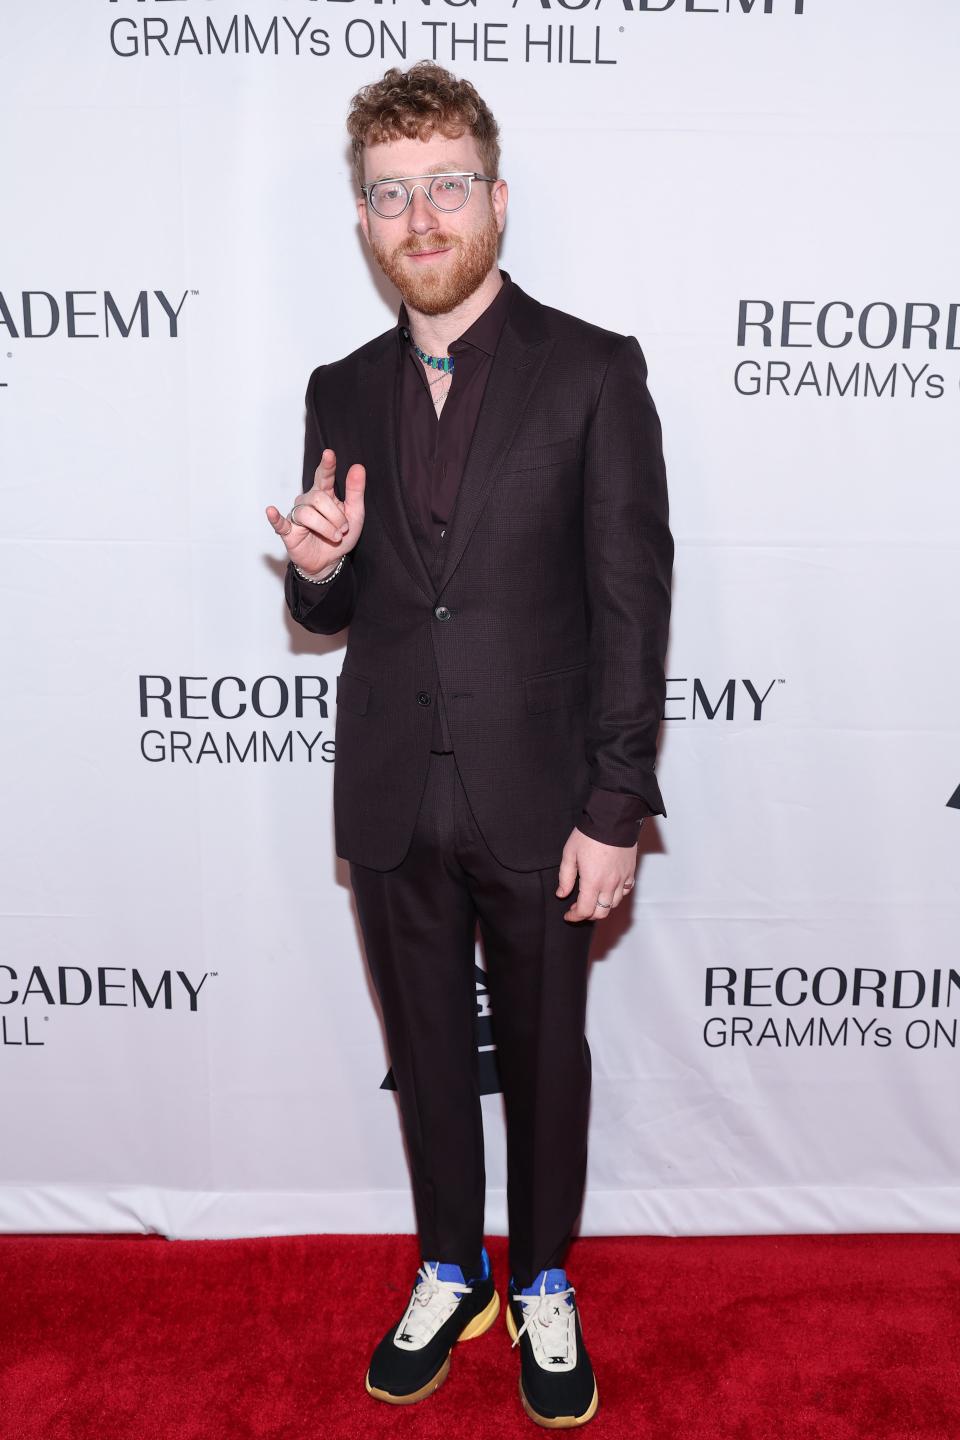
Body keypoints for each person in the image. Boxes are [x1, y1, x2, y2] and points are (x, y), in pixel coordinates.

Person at [265, 60, 673, 1429]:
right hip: (391, 802)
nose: (420, 217)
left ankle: (544, 1280)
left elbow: (632, 601)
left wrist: (616, 804)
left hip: (547, 803)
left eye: (446, 186)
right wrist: (316, 576)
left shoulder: (595, 372)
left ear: (495, 202)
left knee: (550, 1059)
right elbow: (344, 595)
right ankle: (452, 1266)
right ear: (366, 223)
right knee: (427, 1056)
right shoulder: (338, 386)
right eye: (391, 195)